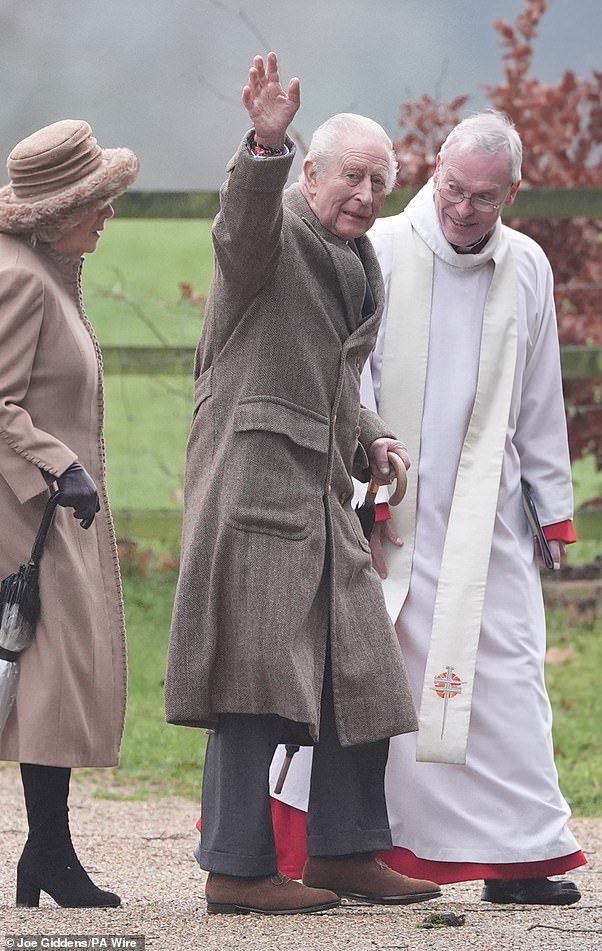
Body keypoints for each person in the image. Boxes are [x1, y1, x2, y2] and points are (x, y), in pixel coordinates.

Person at [270, 110, 587, 906]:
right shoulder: (379, 249)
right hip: (394, 509)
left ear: (514, 191)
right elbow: (355, 380)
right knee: (380, 678)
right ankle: (362, 846)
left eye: (485, 197)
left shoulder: (530, 267)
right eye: (452, 188)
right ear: (433, 166)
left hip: (489, 517)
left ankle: (520, 859)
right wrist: (368, 501)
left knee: (510, 675)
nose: (462, 209)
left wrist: (553, 509)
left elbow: (541, 395)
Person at [165, 52, 443, 916]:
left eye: (379, 181)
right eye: (350, 175)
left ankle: (347, 850)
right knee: (250, 684)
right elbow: (238, 227)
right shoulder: (273, 234)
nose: (365, 193)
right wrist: (263, 146)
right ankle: (235, 868)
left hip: (322, 498)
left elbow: (335, 379)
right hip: (252, 493)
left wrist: (372, 437)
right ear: (311, 172)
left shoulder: (360, 260)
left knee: (362, 672)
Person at [0, 119, 138, 907]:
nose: (107, 215)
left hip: (50, 510)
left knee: (48, 682)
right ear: (54, 213)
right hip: (34, 514)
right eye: (95, 202)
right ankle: (49, 856)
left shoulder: (46, 265)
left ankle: (45, 854)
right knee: (47, 680)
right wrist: (64, 468)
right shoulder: (21, 277)